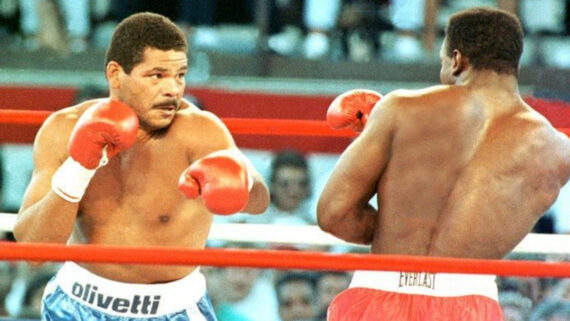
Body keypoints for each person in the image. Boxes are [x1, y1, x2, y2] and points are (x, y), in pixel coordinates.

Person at [317, 6, 570, 321]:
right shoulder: (557, 151)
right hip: (468, 303)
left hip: (379, 291)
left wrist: (394, 230)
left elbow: (333, 213)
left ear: (457, 60)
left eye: (442, 61)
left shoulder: (399, 108)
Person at [13, 12, 269, 321]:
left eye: (180, 75)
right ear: (116, 75)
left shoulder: (200, 131)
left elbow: (259, 200)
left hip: (171, 310)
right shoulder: (63, 129)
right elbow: (32, 248)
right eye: (157, 76)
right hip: (76, 304)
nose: (173, 89)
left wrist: (241, 181)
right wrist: (79, 168)